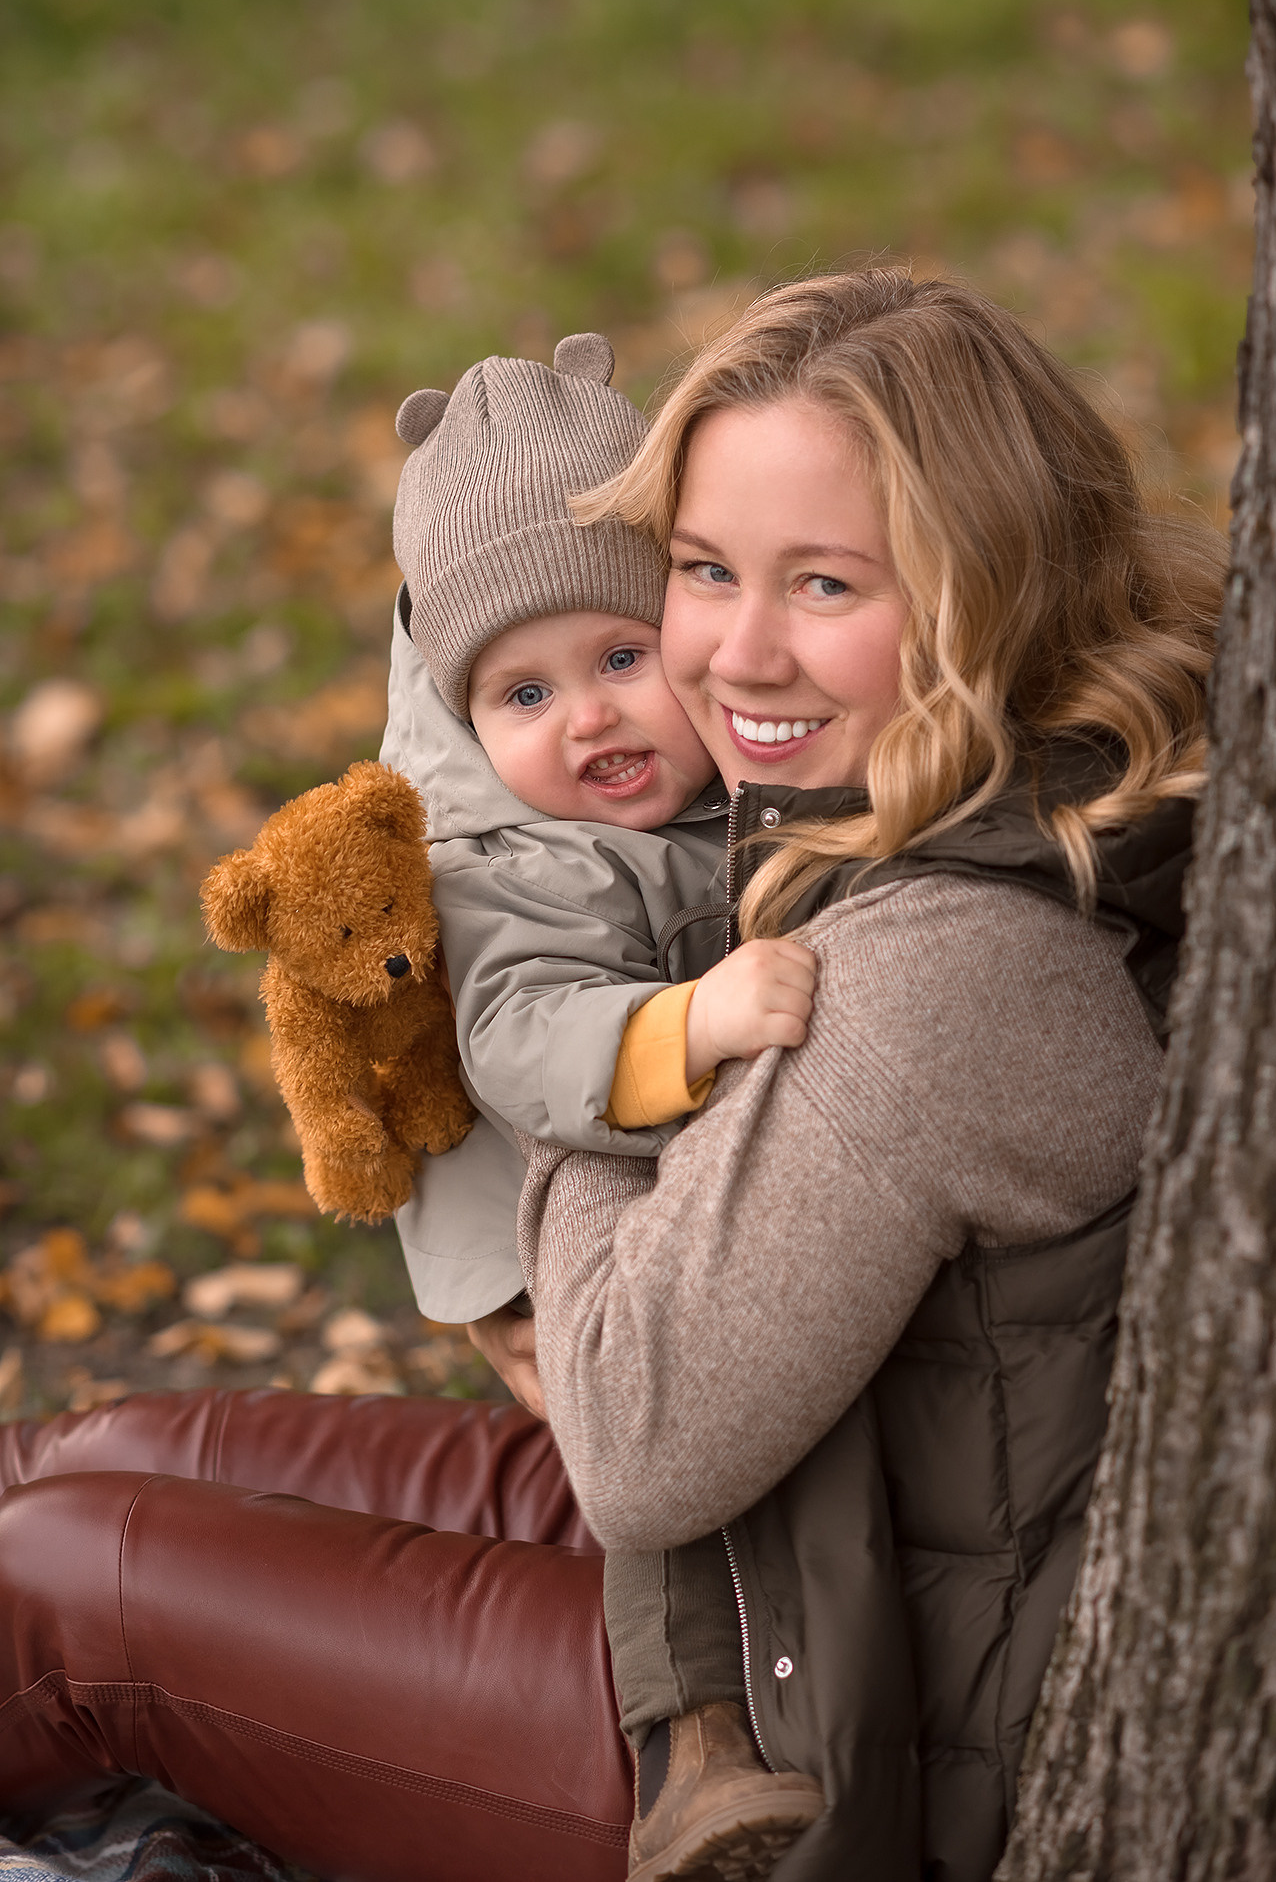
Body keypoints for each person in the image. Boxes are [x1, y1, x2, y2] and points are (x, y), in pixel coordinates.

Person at [0, 267, 1226, 1882]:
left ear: (983, 588)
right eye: (705, 570)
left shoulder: (952, 962)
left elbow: (632, 1433)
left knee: (61, 1587)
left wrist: (560, 1031)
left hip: (826, 1739)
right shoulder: (908, 782)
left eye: (828, 585)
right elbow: (487, 619)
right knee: (79, 1455)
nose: (737, 651)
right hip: (808, 1535)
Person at [381, 334, 827, 1876]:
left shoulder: (732, 787)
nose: (588, 719)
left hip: (736, 1238)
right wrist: (690, 1022)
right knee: (662, 1490)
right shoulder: (516, 865)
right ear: (466, 714)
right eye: (524, 689)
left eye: (621, 656)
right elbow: (518, 1036)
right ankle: (695, 1747)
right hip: (613, 1255)